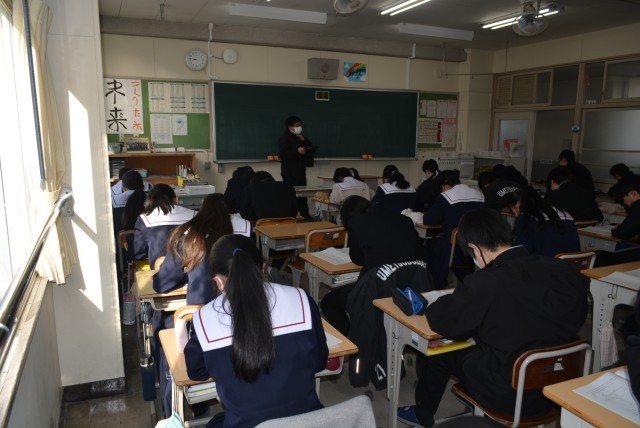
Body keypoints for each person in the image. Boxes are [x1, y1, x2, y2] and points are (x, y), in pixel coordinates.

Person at [397, 208, 589, 428]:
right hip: (557, 388)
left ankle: (422, 413)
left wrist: (444, 303)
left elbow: (445, 323)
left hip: (508, 394)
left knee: (443, 352)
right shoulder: (562, 270)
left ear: (474, 248)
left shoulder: (485, 282)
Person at [184, 234, 328, 428]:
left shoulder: (204, 319)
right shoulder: (302, 299)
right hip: (308, 422)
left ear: (217, 281)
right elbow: (319, 362)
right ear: (263, 268)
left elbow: (196, 371)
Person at [152, 193, 247, 418]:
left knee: (168, 341)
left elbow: (163, 283)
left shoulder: (190, 234)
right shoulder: (245, 230)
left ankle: (177, 413)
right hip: (243, 325)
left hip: (201, 329)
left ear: (201, 210)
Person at [321, 195, 424, 336]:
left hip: (375, 289)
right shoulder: (405, 220)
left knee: (328, 302)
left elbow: (357, 259)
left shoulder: (357, 224)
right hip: (409, 289)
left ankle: (352, 340)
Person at [423, 170, 484, 289]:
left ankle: (435, 287)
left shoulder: (446, 197)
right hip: (476, 246)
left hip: (454, 249)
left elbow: (428, 220)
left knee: (428, 247)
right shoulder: (480, 195)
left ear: (444, 186)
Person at [506, 186, 580, 257]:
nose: (516, 214)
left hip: (547, 264)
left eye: (514, 209)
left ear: (518, 203)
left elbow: (519, 252)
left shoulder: (526, 218)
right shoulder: (566, 214)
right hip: (573, 263)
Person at [133, 183, 196, 267]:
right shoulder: (195, 215)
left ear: (149, 202)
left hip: (160, 271)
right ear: (176, 199)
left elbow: (139, 253)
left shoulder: (144, 219)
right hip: (191, 269)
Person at [278, 115, 317, 219]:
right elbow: (283, 155)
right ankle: (291, 216)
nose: (299, 127)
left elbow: (311, 147)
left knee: (303, 194)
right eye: (297, 125)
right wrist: (297, 151)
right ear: (290, 127)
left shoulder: (300, 136)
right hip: (289, 172)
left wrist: (303, 140)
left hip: (300, 170)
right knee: (291, 195)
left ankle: (305, 214)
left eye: (300, 125)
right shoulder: (284, 138)